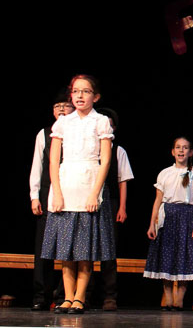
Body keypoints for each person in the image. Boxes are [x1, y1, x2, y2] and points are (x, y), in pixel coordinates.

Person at [41, 75, 116, 315]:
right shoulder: (63, 122)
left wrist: (95, 193)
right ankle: (67, 297)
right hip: (66, 187)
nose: (80, 95)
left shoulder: (100, 121)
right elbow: (54, 161)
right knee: (66, 251)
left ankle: (80, 298)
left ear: (96, 96)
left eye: (85, 91)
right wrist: (57, 193)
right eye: (76, 91)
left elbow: (105, 161)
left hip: (88, 187)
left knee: (85, 251)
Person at [143, 137, 193, 310]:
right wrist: (152, 224)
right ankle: (168, 297)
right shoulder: (165, 173)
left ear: (190, 152)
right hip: (168, 216)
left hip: (187, 216)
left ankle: (179, 299)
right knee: (167, 255)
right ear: (172, 151)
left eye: (185, 148)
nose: (181, 150)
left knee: (185, 254)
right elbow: (158, 200)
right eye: (178, 147)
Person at [29, 91, 74, 311]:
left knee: (69, 249)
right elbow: (37, 166)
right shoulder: (44, 134)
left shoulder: (79, 132)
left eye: (66, 105)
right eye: (57, 106)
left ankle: (66, 296)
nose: (62, 109)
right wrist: (34, 196)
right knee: (43, 250)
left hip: (72, 195)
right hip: (48, 194)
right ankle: (41, 296)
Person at [94, 108, 134, 311]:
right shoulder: (89, 148)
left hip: (110, 202)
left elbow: (122, 181)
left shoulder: (118, 150)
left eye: (109, 125)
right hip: (87, 200)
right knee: (84, 249)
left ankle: (109, 296)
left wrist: (122, 207)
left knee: (108, 250)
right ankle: (81, 295)